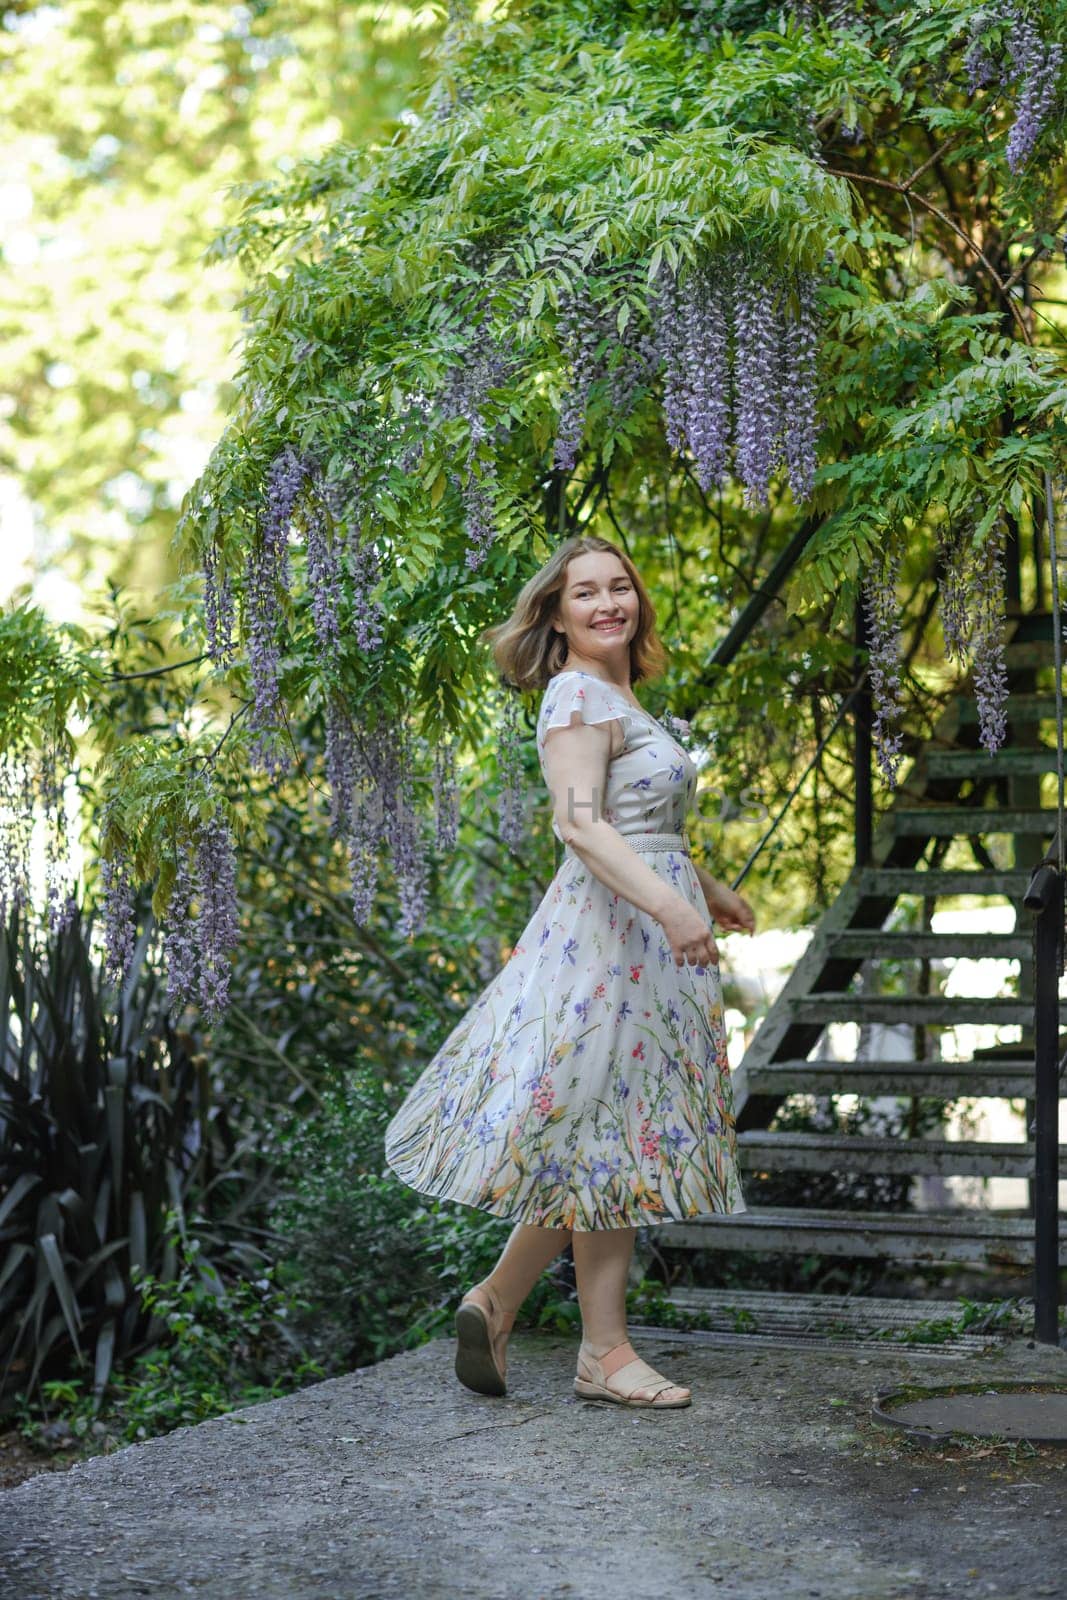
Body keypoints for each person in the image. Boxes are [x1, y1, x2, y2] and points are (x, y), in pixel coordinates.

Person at [384, 534, 755, 1409]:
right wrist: (669, 909)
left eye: (619, 586)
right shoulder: (577, 695)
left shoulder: (623, 697)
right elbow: (581, 826)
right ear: (555, 614)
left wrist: (704, 886)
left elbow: (637, 820)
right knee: (608, 1129)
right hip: (613, 938)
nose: (607, 603)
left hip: (645, 929)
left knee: (604, 1130)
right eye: (584, 593)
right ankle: (601, 1351)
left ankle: (510, 1306)